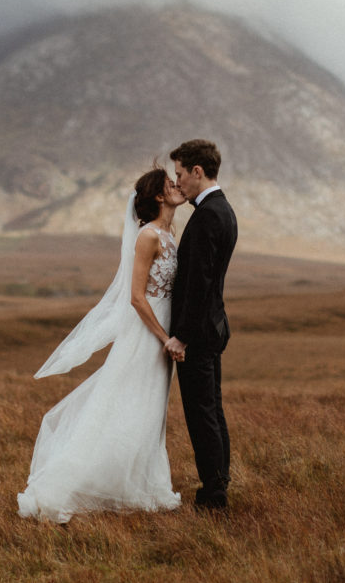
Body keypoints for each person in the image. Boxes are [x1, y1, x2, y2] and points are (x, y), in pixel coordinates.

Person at [17, 166, 187, 523]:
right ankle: (72, 485)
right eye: (171, 184)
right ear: (159, 196)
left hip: (163, 331)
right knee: (127, 404)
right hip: (147, 336)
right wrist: (164, 338)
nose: (178, 186)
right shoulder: (148, 236)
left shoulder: (171, 233)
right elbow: (136, 298)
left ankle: (139, 485)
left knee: (150, 408)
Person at [163, 139, 237, 512]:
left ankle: (214, 494)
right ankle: (218, 481)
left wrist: (182, 336)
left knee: (201, 412)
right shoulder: (222, 209)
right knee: (212, 408)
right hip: (213, 326)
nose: (177, 182)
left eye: (179, 174)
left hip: (200, 332)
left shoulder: (209, 215)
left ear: (197, 171)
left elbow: (199, 284)